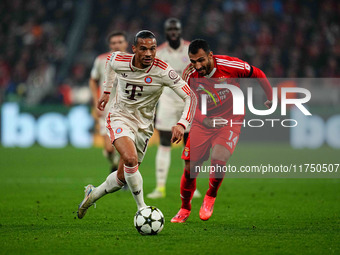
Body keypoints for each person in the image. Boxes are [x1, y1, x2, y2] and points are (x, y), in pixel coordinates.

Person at [77, 30, 196, 219]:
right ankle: (142, 209)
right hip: (120, 116)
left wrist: (182, 123)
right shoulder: (120, 60)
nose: (148, 53)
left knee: (122, 177)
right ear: (134, 49)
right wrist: (107, 91)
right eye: (143, 49)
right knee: (131, 159)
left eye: (152, 49)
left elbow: (190, 96)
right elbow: (109, 63)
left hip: (144, 125)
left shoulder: (163, 70)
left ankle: (93, 195)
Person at [171, 39, 273, 223]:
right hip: (203, 122)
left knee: (219, 160)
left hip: (230, 120)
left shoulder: (229, 65)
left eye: (201, 60)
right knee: (190, 169)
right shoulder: (189, 75)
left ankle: (210, 196)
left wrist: (270, 96)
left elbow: (256, 72)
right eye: (193, 61)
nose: (197, 65)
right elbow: (189, 103)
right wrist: (205, 121)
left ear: (210, 55)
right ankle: (184, 209)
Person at [147, 18, 200, 199]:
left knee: (190, 145)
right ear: (166, 31)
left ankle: (191, 186)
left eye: (175, 29)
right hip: (167, 102)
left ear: (180, 30)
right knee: (164, 142)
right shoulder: (160, 53)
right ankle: (160, 187)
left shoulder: (190, 50)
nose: (173, 32)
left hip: (188, 102)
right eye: (170, 29)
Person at [89, 31, 129, 172]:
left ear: (126, 44)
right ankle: (115, 164)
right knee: (109, 148)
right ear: (110, 45)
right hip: (106, 110)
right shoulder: (101, 60)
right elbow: (93, 80)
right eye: (114, 43)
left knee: (125, 146)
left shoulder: (133, 60)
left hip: (127, 110)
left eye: (120, 42)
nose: (117, 45)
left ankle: (122, 175)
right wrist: (96, 102)